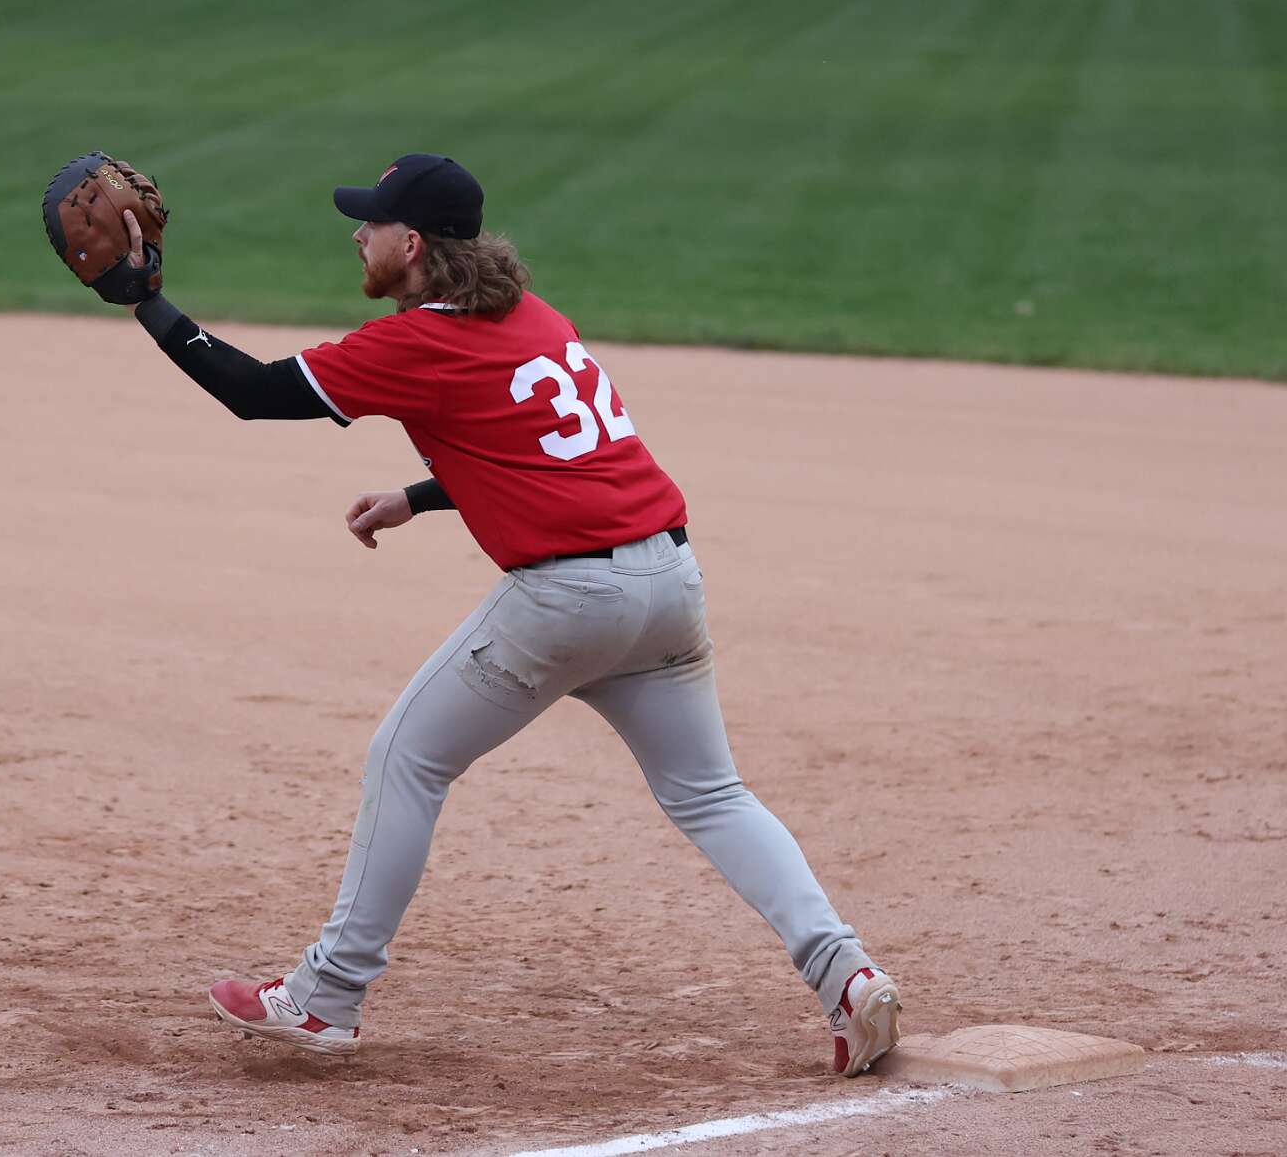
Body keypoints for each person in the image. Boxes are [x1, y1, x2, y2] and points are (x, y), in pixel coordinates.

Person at [114, 154, 901, 1076]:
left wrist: (146, 302)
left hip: (570, 602)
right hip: (669, 584)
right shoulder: (536, 318)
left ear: (412, 244)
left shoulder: (414, 343)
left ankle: (326, 997)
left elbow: (254, 392)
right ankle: (847, 975)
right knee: (712, 795)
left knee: (407, 759)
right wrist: (418, 496)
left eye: (371, 224)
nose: (358, 235)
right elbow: (542, 447)